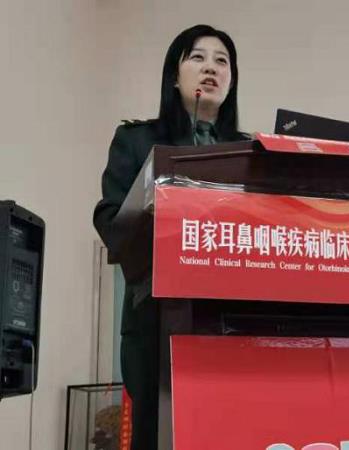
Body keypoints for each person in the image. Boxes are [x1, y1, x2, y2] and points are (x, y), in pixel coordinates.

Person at [93, 24, 248, 450]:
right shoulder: (136, 140)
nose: (211, 68)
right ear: (174, 76)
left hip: (235, 320)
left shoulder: (250, 151)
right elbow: (110, 218)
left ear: (232, 80)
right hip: (156, 321)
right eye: (197, 57)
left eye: (222, 61)